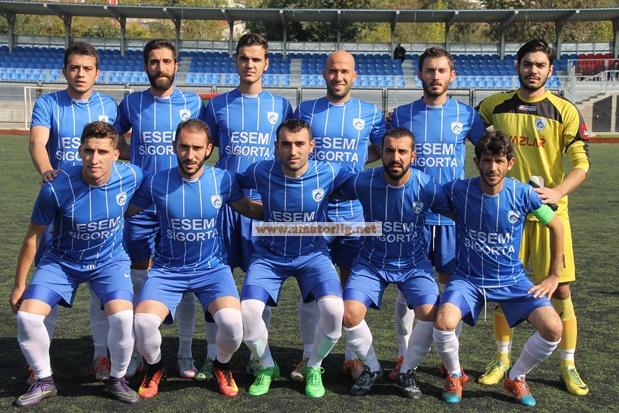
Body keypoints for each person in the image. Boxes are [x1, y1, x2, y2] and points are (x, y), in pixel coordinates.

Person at [477, 39, 590, 396]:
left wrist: (557, 192)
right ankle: (501, 360)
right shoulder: (495, 106)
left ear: (550, 70)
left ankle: (568, 365)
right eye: (527, 64)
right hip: (507, 215)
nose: (533, 70)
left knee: (561, 289)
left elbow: (582, 164)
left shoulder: (564, 110)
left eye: (540, 65)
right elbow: (467, 127)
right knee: (503, 287)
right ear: (517, 67)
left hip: (549, 215)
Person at [126, 119, 264, 399]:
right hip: (167, 270)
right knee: (142, 324)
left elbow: (250, 209)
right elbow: (123, 210)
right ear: (174, 146)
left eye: (197, 148)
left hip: (212, 269)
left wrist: (295, 210)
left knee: (233, 325)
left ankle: (221, 365)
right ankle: (155, 367)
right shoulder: (156, 182)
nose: (190, 155)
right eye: (184, 147)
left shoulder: (223, 180)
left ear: (209, 149)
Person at [10, 121, 143, 407]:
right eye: (89, 151)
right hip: (61, 261)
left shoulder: (133, 175)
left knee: (122, 317)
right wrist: (19, 284)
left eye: (103, 152)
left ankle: (117, 378)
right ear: (79, 151)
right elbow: (33, 236)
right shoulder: (55, 188)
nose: (94, 159)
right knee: (28, 317)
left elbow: (139, 203)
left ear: (116, 154)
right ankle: (44, 380)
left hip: (109, 261)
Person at [434, 130, 564, 406]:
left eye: (499, 161)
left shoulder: (523, 194)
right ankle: (456, 375)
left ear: (510, 163)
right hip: (468, 279)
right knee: (443, 322)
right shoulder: (458, 190)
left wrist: (554, 275)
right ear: (476, 162)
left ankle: (516, 377)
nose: (492, 167)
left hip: (511, 280)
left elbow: (556, 225)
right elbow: (429, 200)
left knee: (553, 328)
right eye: (487, 160)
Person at [389, 46, 486, 380]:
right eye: (429, 70)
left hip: (451, 219)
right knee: (406, 288)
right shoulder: (402, 115)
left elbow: (488, 154)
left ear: (452, 75)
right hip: (410, 217)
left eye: (441, 70)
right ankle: (403, 355)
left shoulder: (467, 116)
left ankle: (448, 358)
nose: (435, 76)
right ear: (419, 74)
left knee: (450, 288)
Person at [236, 119, 350, 398]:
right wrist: (254, 210)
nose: (293, 150)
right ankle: (266, 366)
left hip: (313, 255)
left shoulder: (330, 172)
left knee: (335, 312)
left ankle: (314, 366)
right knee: (247, 312)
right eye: (286, 144)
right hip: (269, 256)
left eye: (300, 144)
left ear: (311, 146)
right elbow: (230, 184)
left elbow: (367, 185)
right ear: (276, 146)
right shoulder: (261, 170)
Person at [202, 33, 293, 380]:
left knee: (260, 286)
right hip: (225, 206)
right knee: (215, 281)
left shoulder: (282, 107)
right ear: (236, 61)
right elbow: (204, 149)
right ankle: (212, 355)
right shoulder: (217, 105)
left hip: (264, 207)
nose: (250, 64)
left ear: (266, 64)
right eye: (244, 58)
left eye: (256, 59)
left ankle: (258, 355)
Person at [292, 49, 386, 381]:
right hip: (313, 215)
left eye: (345, 71)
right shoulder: (306, 110)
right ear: (324, 73)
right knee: (310, 289)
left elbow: (383, 149)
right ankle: (308, 356)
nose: (338, 76)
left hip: (353, 215)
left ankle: (351, 357)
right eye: (333, 70)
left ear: (354, 76)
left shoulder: (370, 113)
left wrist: (358, 161)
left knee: (351, 288)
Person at [28, 40, 119, 383]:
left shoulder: (109, 105)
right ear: (64, 70)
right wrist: (46, 171)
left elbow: (117, 148)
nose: (80, 73)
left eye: (87, 68)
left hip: (100, 207)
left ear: (98, 73)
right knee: (48, 288)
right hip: (61, 208)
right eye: (74, 67)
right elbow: (37, 141)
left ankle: (101, 357)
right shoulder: (48, 103)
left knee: (100, 287)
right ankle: (38, 362)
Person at [116, 38, 207, 380]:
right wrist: (134, 155)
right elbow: (115, 139)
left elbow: (202, 144)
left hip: (181, 204)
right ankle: (140, 352)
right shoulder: (131, 102)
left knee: (185, 280)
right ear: (145, 67)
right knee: (139, 278)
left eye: (166, 61)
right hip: (142, 203)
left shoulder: (193, 102)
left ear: (176, 66)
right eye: (154, 62)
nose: (160, 67)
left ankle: (184, 352)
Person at [339, 127, 453, 398]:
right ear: (381, 153)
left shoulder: (427, 186)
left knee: (431, 315)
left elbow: (457, 211)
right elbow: (327, 190)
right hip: (371, 263)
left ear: (413, 155)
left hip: (413, 265)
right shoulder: (363, 181)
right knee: (348, 314)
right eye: (389, 151)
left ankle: (407, 370)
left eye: (402, 151)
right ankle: (372, 367)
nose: (395, 157)